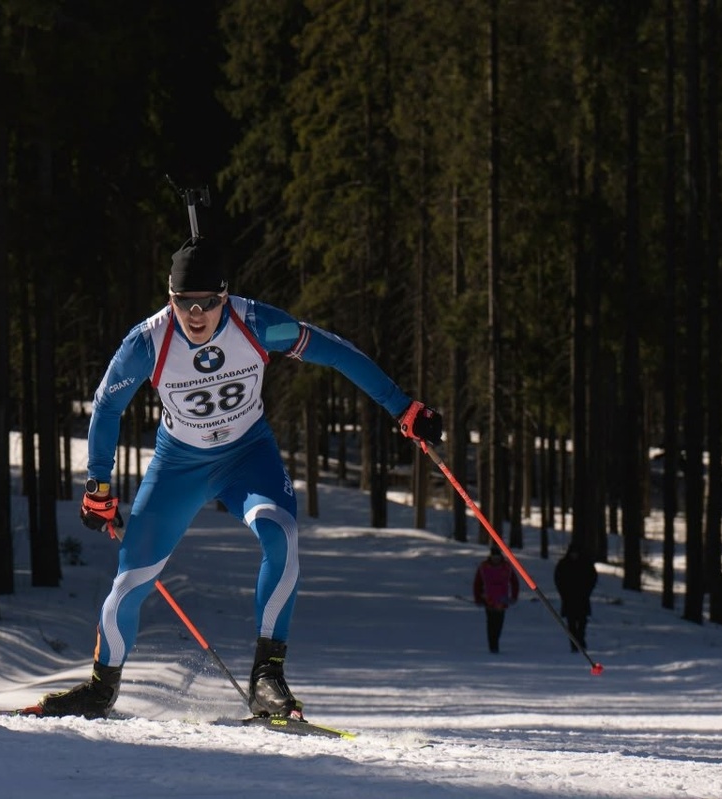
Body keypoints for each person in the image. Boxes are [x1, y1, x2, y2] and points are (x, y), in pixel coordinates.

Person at [34, 236, 443, 720]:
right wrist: (99, 485)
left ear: (224, 297)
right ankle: (101, 690)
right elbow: (107, 405)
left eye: (208, 302)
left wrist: (402, 407)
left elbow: (336, 352)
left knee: (283, 536)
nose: (197, 314)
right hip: (178, 466)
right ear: (171, 298)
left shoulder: (256, 325)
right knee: (131, 581)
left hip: (248, 456)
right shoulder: (148, 341)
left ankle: (267, 678)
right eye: (185, 303)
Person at [473, 546, 519, 653]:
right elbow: (477, 584)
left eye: (497, 557)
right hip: (488, 600)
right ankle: (492, 645)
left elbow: (514, 582)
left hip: (502, 601)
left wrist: (514, 596)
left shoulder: (507, 567)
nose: (496, 559)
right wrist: (478, 598)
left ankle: (495, 642)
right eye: (494, 557)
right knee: (490, 623)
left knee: (499, 623)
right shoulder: (484, 567)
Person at [554, 543, 598, 652]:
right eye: (572, 553)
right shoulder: (563, 564)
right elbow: (558, 579)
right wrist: (563, 593)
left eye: (576, 553)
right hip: (569, 598)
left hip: (582, 596)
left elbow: (593, 578)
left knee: (582, 621)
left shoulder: (586, 564)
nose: (574, 555)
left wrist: (587, 591)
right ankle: (574, 644)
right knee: (571, 623)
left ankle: (580, 639)